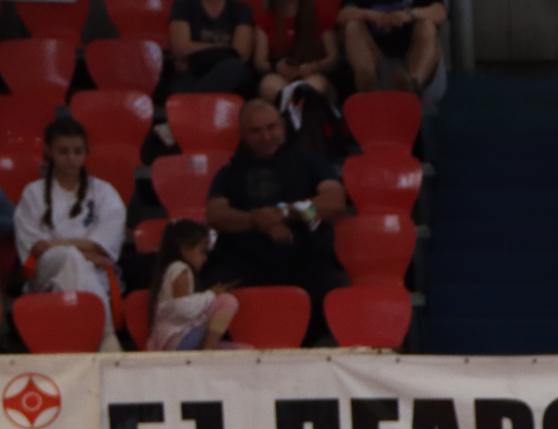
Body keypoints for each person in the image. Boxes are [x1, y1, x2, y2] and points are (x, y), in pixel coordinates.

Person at [205, 99, 349, 329]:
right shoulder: (230, 172)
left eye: (271, 127)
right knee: (212, 289)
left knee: (334, 287)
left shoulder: (310, 162)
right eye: (256, 131)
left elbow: (334, 202)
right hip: (245, 262)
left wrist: (285, 213)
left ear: (283, 125)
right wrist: (255, 220)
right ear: (243, 135)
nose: (266, 136)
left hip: (305, 259)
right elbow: (215, 214)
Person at [14, 117, 127, 351]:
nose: (71, 158)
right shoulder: (33, 193)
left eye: (77, 151)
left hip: (94, 275)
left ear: (86, 153)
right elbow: (37, 249)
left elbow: (102, 247)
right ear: (49, 152)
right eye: (63, 151)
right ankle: (106, 337)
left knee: (73, 264)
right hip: (46, 273)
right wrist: (82, 249)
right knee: (69, 257)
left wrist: (57, 244)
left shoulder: (104, 192)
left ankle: (82, 341)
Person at [146, 219, 242, 350]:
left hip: (175, 339)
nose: (205, 258)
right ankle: (209, 349)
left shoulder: (173, 269)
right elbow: (182, 309)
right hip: (178, 338)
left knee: (242, 349)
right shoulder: (180, 269)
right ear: (184, 249)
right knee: (227, 301)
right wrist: (211, 295)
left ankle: (209, 349)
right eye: (202, 251)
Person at [338, 0, 447, 95]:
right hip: (376, 55)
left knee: (427, 25)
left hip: (412, 54)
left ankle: (412, 85)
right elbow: (343, 15)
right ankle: (367, 85)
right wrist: (369, 15)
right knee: (353, 26)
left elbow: (440, 12)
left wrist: (410, 14)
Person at [258, 0, 343, 105]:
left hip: (313, 72)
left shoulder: (318, 12)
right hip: (280, 75)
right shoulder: (265, 18)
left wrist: (313, 67)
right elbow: (260, 62)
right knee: (269, 87)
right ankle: (288, 112)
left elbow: (333, 57)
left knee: (312, 87)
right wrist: (276, 66)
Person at [170, 0, 261, 93]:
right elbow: (180, 49)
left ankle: (194, 97)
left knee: (234, 68)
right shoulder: (183, 5)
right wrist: (224, 48)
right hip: (195, 73)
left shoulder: (241, 10)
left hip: (230, 74)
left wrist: (197, 51)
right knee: (180, 83)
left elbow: (241, 53)